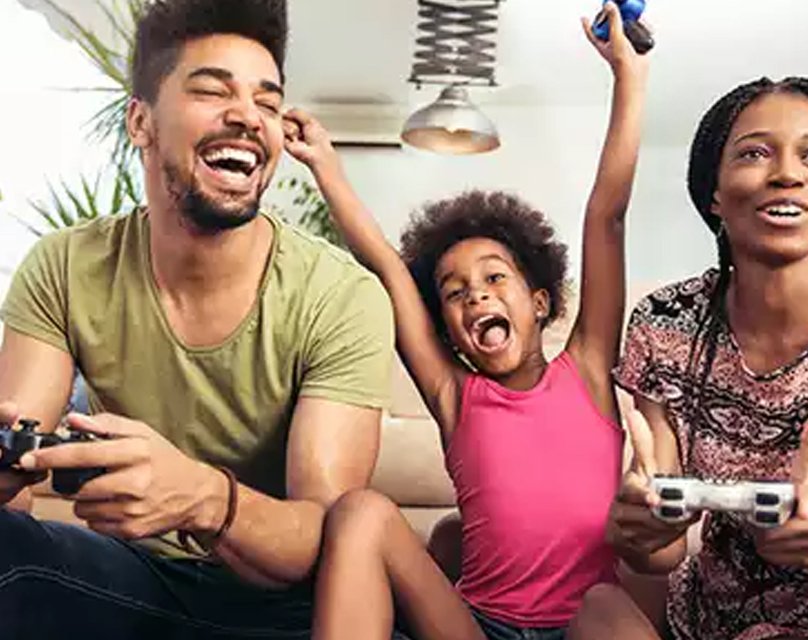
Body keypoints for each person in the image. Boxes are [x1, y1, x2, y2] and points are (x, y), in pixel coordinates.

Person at [0, 0, 394, 637]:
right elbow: (17, 459)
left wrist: (205, 497)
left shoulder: (340, 295)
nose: (247, 116)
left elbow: (323, 539)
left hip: (290, 611)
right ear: (140, 122)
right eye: (212, 91)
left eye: (267, 102)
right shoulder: (65, 266)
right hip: (136, 583)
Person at [279, 4, 650, 639]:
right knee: (362, 512)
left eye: (494, 279)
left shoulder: (587, 369)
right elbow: (390, 271)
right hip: (477, 629)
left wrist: (629, 77)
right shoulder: (456, 395)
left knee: (608, 606)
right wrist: (325, 166)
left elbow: (606, 217)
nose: (475, 296)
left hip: (578, 630)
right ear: (449, 330)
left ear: (539, 303)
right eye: (454, 293)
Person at [567, 76, 808, 640]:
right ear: (714, 192)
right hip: (709, 625)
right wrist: (641, 533)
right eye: (754, 152)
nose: (787, 173)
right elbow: (665, 552)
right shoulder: (666, 322)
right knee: (599, 610)